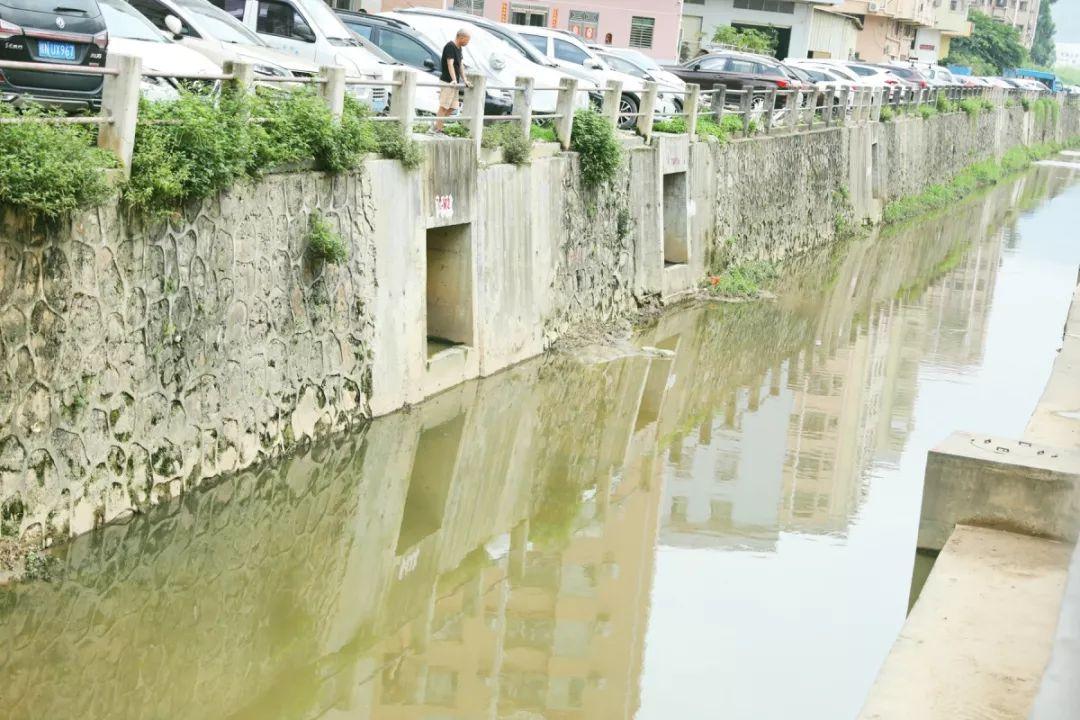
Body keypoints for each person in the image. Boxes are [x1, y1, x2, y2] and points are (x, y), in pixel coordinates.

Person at [436, 29, 471, 133]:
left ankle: (436, 125)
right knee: (444, 106)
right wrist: (454, 80)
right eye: (467, 40)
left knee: (453, 107)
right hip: (448, 82)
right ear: (461, 37)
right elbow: (450, 64)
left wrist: (465, 80)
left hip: (454, 84)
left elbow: (460, 65)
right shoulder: (450, 46)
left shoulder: (459, 48)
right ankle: (438, 129)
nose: (467, 43)